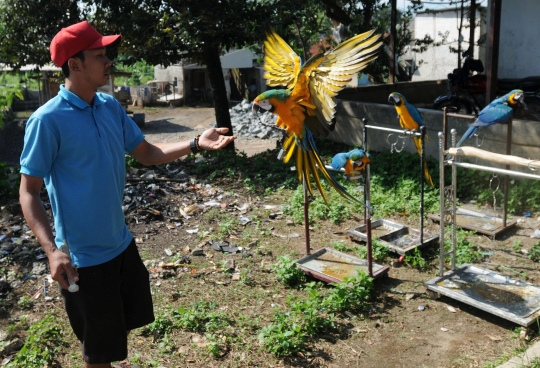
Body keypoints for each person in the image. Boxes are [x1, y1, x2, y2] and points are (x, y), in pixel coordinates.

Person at [18, 20, 236, 368]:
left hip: (120, 244)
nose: (109, 62)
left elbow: (146, 153)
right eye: (100, 55)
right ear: (74, 64)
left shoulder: (109, 107)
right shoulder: (48, 121)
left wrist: (195, 143)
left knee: (117, 331)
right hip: (84, 260)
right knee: (99, 352)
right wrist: (51, 251)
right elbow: (28, 192)